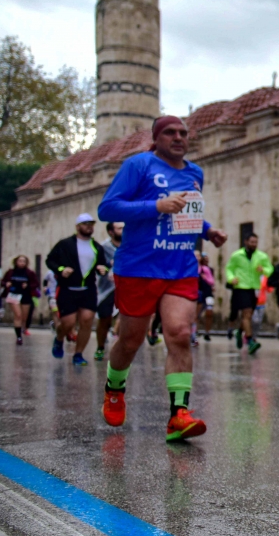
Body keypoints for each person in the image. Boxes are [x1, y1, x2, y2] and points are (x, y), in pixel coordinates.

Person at [97, 115, 229, 442]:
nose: (178, 137)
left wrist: (208, 230)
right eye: (170, 133)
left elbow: (188, 214)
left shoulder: (194, 172)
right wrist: (157, 205)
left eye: (183, 133)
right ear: (156, 139)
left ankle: (179, 415)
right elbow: (108, 209)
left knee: (180, 333)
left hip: (181, 265)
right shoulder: (138, 165)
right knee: (130, 341)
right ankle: (115, 389)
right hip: (138, 267)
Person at [45, 214, 110, 366]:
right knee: (68, 323)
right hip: (68, 289)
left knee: (87, 321)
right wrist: (61, 269)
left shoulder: (97, 246)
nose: (89, 227)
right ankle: (59, 338)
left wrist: (103, 269)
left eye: (91, 224)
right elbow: (50, 260)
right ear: (77, 226)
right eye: (85, 224)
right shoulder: (65, 244)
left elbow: (103, 264)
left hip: (88, 289)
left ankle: (78, 354)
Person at [225, 234, 273, 355]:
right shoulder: (237, 255)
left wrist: (264, 270)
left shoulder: (261, 256)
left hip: (254, 288)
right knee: (246, 313)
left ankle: (239, 331)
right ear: (246, 241)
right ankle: (251, 340)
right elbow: (229, 268)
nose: (254, 244)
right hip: (241, 287)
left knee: (249, 315)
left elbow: (270, 268)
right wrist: (231, 279)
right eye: (251, 242)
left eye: (255, 242)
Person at [94, 222, 123, 361]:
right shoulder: (103, 247)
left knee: (127, 317)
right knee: (105, 319)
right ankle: (100, 347)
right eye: (120, 228)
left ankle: (122, 349)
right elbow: (97, 265)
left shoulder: (130, 246)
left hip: (126, 287)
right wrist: (104, 268)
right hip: (107, 288)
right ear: (111, 232)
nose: (124, 230)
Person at [0, 256, 39, 346]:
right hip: (14, 294)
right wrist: (6, 283)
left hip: (26, 295)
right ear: (16, 262)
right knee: (18, 315)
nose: (21, 263)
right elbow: (2, 282)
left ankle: (23, 327)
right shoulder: (10, 272)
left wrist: (28, 285)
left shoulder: (29, 273)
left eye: (23, 261)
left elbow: (36, 283)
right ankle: (19, 337)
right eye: (20, 261)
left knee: (24, 318)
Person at [195, 252, 216, 342]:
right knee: (197, 314)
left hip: (207, 294)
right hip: (198, 294)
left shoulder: (207, 269)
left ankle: (207, 332)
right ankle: (195, 332)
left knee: (209, 313)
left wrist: (205, 278)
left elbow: (211, 281)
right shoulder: (194, 268)